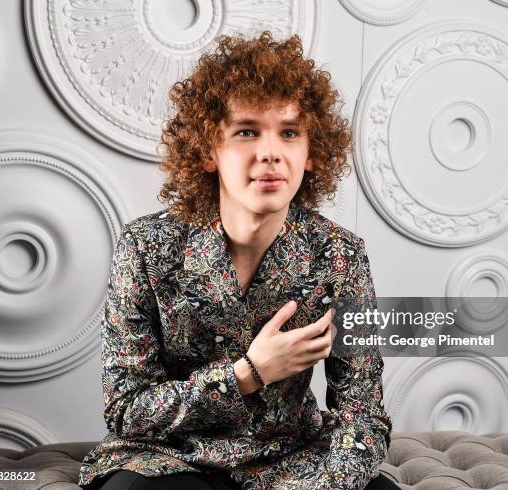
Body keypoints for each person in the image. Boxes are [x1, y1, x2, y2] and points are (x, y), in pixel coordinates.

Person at [78, 31, 397, 490]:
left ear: (310, 154)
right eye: (247, 131)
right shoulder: (146, 247)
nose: (270, 152)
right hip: (171, 460)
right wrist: (249, 374)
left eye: (289, 133)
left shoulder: (341, 256)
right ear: (209, 150)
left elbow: (362, 415)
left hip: (291, 460)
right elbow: (127, 410)